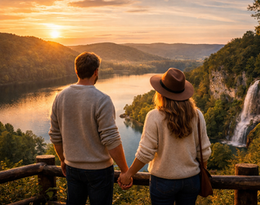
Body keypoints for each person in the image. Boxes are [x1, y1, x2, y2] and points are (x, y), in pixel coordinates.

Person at [118, 67, 212, 205]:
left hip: (163, 182)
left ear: (160, 93)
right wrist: (200, 173)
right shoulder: (197, 115)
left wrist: (128, 174)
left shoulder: (154, 116)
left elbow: (145, 154)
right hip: (191, 180)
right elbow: (204, 151)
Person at [49, 52, 130, 205]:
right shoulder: (102, 99)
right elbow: (111, 139)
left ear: (76, 71)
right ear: (96, 72)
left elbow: (55, 135)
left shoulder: (60, 97)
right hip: (99, 171)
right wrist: (125, 170)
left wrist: (63, 160)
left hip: (73, 168)